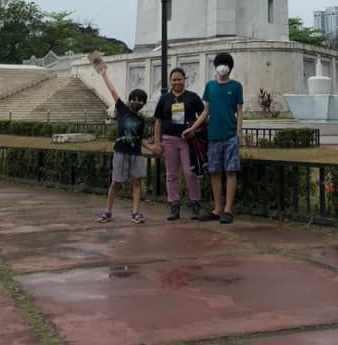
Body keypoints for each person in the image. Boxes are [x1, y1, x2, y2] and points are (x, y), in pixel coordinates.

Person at [89, 52, 152, 224]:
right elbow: (112, 91)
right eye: (134, 99)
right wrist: (104, 75)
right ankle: (107, 211)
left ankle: (136, 212)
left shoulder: (141, 119)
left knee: (136, 183)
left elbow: (140, 138)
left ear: (143, 104)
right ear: (130, 100)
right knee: (115, 183)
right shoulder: (123, 110)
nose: (136, 102)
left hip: (135, 153)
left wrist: (153, 148)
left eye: (140, 100)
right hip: (121, 152)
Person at [183, 51, 243, 224]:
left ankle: (228, 210)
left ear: (230, 68)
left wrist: (239, 134)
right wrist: (193, 128)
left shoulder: (236, 86)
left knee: (230, 172)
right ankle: (217, 209)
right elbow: (205, 112)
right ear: (215, 66)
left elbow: (239, 112)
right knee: (214, 173)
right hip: (213, 136)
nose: (222, 67)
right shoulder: (210, 86)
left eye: (225, 64)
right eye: (220, 63)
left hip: (230, 135)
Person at [152, 68, 205, 221]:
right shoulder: (164, 99)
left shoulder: (192, 97)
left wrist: (195, 130)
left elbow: (203, 116)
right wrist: (157, 142)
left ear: (184, 79)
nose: (176, 82)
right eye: (174, 80)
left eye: (179, 79)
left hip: (187, 140)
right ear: (170, 81)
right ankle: (174, 204)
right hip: (169, 140)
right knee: (171, 174)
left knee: (190, 172)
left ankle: (195, 203)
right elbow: (158, 121)